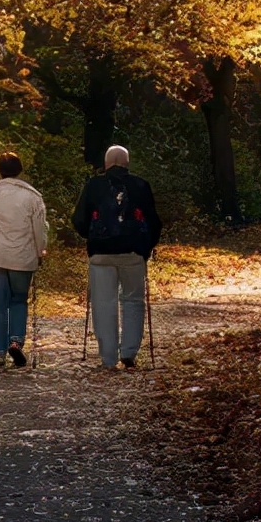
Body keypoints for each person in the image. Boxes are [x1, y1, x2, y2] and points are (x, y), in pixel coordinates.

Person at [72, 145, 162, 370]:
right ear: (127, 163)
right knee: (133, 300)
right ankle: (129, 351)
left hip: (101, 253)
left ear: (106, 164)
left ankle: (108, 357)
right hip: (133, 252)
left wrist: (91, 238)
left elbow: (79, 220)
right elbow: (154, 222)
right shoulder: (141, 185)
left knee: (103, 302)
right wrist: (146, 247)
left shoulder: (94, 185)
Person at [0, 152, 48, 368]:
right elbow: (39, 230)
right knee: (18, 299)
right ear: (20, 170)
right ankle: (16, 341)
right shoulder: (33, 197)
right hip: (22, 258)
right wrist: (40, 250)